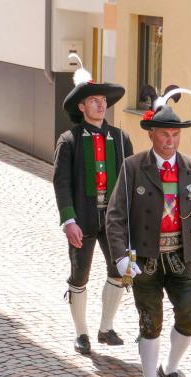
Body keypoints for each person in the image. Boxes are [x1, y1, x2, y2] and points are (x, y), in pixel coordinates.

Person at [106, 89, 191, 377]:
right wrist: (121, 255)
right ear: (151, 133)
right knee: (150, 321)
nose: (171, 140)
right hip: (145, 259)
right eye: (165, 133)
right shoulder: (134, 166)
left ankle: (170, 367)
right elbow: (116, 215)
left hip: (182, 258)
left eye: (176, 134)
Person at [53, 59, 133, 355]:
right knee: (80, 274)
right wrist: (68, 220)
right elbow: (61, 183)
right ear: (82, 107)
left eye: (103, 100)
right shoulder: (69, 141)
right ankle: (82, 333)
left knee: (119, 271)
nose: (101, 105)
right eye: (94, 101)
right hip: (82, 218)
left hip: (113, 220)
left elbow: (130, 181)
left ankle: (106, 328)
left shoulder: (121, 139)